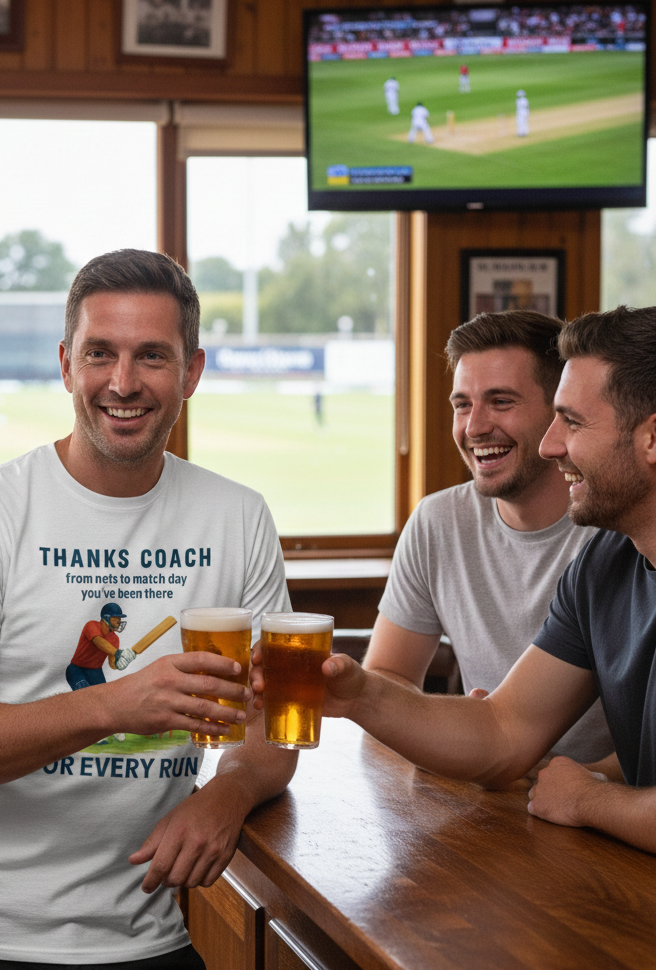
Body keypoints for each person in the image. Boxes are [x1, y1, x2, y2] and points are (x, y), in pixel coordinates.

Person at [0, 249, 298, 970]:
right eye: (99, 353)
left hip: (143, 940)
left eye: (153, 356)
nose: (123, 382)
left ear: (192, 371)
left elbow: (273, 722)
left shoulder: (238, 517)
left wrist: (232, 790)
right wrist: (116, 704)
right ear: (65, 364)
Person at [258, 305, 656, 855]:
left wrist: (588, 797)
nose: (551, 444)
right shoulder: (605, 563)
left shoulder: (595, 548)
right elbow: (504, 730)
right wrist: (359, 695)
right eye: (462, 404)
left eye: (572, 421)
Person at [365, 310, 612, 764]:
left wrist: (584, 785)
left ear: (559, 413)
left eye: (501, 402)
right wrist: (455, 729)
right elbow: (387, 674)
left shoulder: (617, 528)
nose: (474, 427)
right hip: (484, 784)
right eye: (462, 405)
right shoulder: (438, 520)